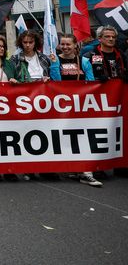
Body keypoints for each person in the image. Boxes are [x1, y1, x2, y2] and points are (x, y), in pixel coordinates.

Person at [53, 33, 101, 187]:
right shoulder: (56, 60)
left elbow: (90, 81)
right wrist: (54, 65)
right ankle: (75, 168)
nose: (65, 47)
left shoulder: (84, 61)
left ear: (75, 45)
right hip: (63, 107)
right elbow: (55, 82)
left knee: (83, 136)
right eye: (63, 44)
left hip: (81, 106)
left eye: (68, 44)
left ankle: (86, 172)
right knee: (69, 137)